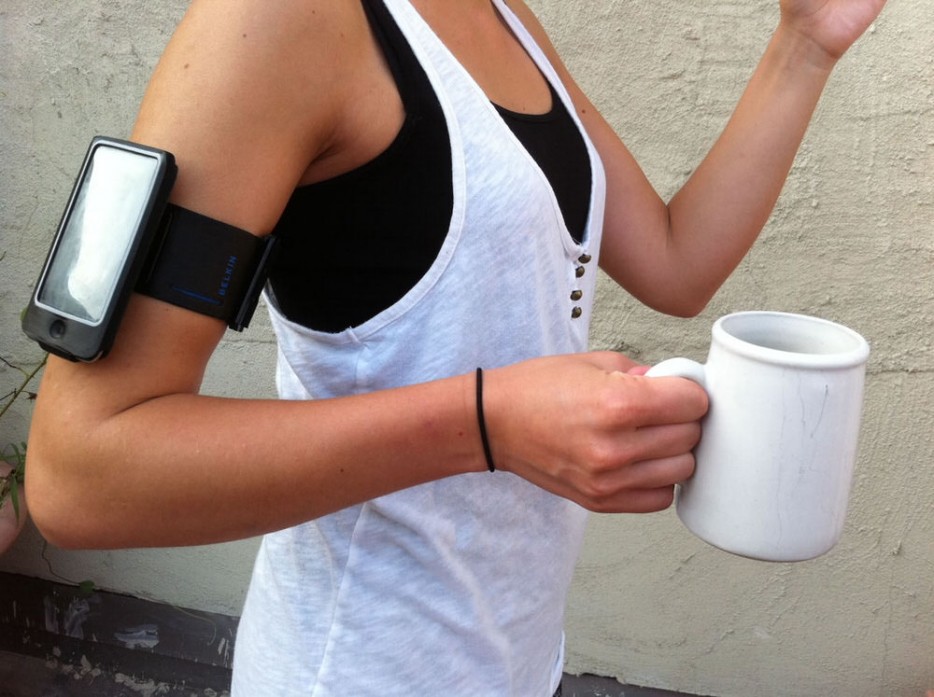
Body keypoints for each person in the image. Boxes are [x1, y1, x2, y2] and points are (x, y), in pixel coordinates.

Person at [25, 0, 886, 694]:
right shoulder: (277, 22)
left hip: (515, 659)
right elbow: (80, 475)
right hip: (358, 671)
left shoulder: (501, 15)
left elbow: (674, 261)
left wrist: (804, 46)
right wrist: (488, 422)